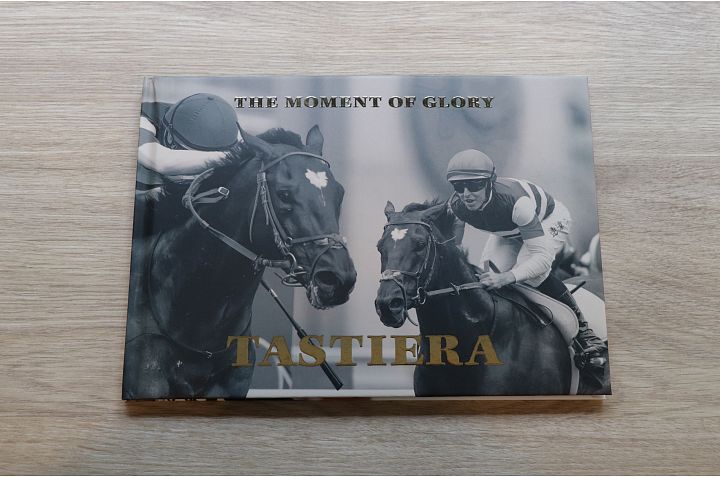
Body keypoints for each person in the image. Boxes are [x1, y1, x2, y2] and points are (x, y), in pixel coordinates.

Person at [445, 149, 607, 369]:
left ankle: (586, 334)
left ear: (490, 182)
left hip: (547, 220)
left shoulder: (517, 204)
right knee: (488, 279)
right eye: (458, 186)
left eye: (474, 185)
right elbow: (453, 252)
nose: (466, 194)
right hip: (509, 232)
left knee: (530, 276)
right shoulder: (456, 206)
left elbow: (541, 260)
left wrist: (507, 277)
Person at [136, 93, 243, 204]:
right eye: (190, 155)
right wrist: (229, 156)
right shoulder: (143, 118)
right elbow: (161, 162)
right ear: (169, 138)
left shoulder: (230, 131)